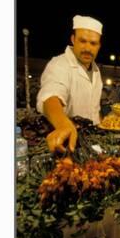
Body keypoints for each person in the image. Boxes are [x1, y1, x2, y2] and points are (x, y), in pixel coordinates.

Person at [36, 15, 104, 153]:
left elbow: (94, 109)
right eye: (83, 41)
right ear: (73, 39)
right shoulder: (59, 64)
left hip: (94, 143)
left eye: (93, 43)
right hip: (68, 144)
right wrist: (63, 125)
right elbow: (51, 95)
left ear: (99, 46)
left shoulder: (96, 70)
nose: (88, 48)